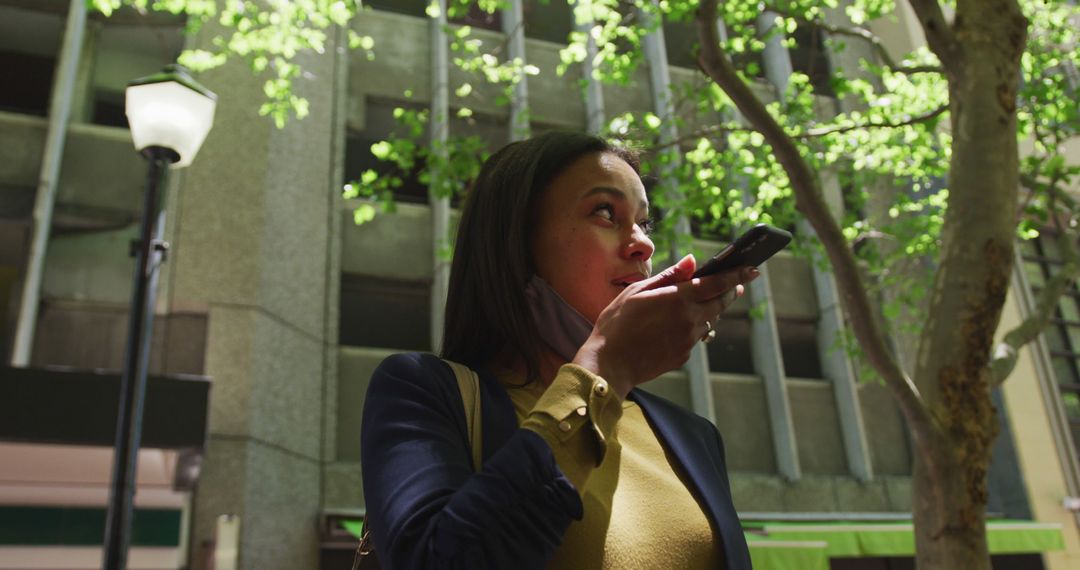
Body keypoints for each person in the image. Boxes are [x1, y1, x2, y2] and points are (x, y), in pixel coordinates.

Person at [360, 131, 756, 569]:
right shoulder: (421, 392)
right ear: (516, 243)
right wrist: (606, 367)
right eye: (606, 212)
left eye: (644, 223)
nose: (643, 244)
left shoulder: (694, 435)